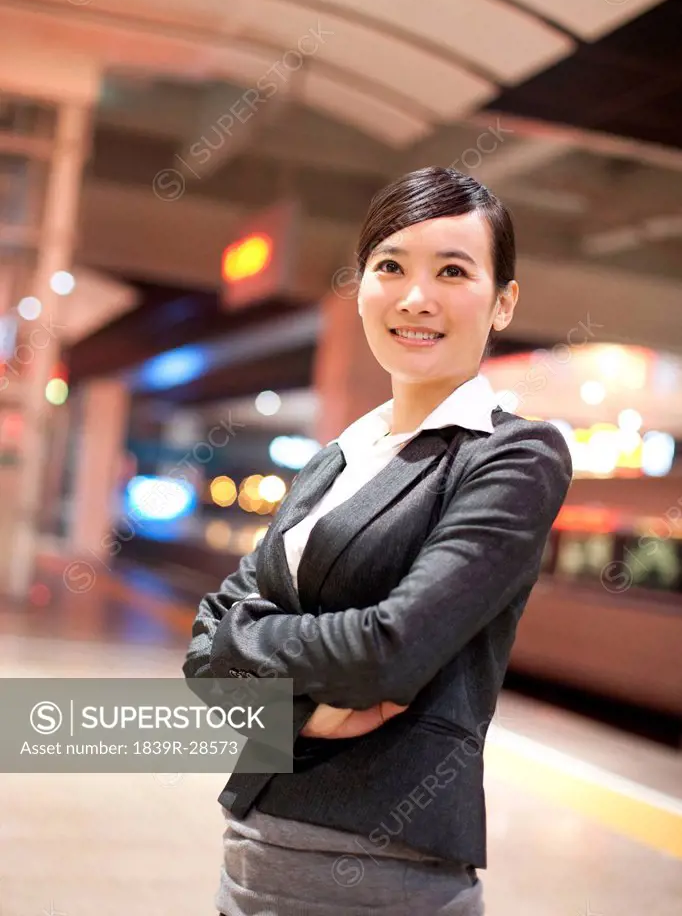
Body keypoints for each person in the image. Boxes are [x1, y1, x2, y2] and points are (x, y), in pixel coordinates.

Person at [183, 166, 573, 915]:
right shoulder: (336, 458)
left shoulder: (512, 457)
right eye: (389, 266)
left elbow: (391, 650)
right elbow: (202, 654)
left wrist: (251, 650)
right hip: (251, 856)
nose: (414, 297)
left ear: (503, 303)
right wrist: (300, 712)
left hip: (383, 872)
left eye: (453, 271)